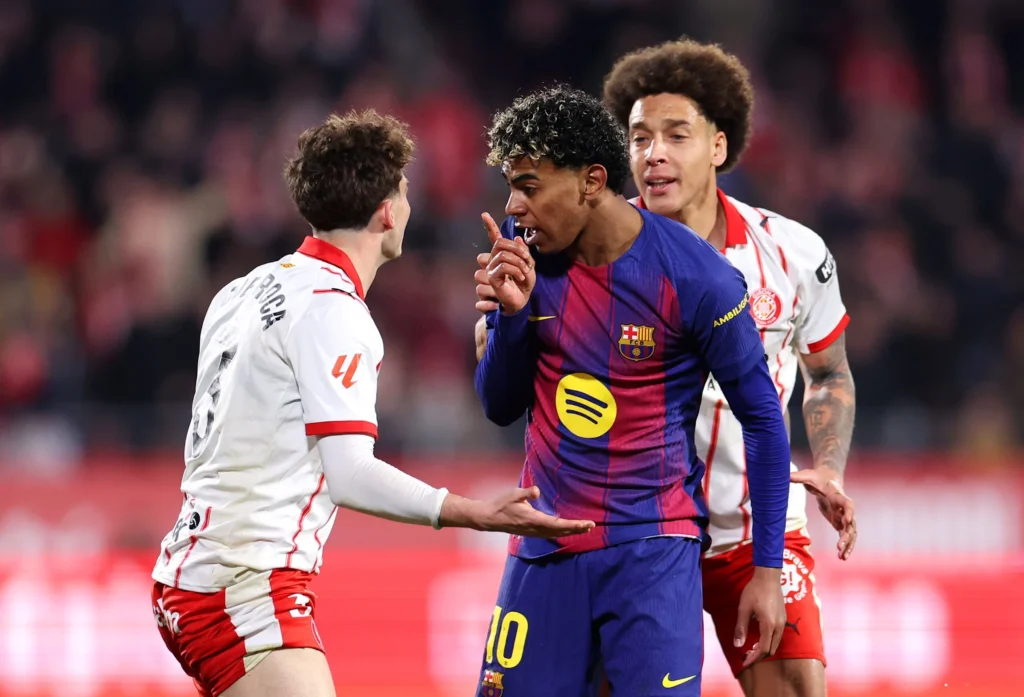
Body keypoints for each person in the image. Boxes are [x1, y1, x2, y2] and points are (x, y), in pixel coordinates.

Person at [150, 110, 595, 697]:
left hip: (195, 569)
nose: (408, 205)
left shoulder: (243, 289)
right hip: (244, 587)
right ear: (387, 211)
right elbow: (350, 474)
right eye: (405, 191)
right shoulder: (335, 311)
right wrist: (476, 512)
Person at [471, 85, 791, 697]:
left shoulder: (697, 278)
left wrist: (768, 570)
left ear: (592, 181)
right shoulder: (524, 251)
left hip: (652, 551)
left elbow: (765, 421)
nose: (514, 205)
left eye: (530, 185)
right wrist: (510, 320)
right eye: (511, 185)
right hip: (544, 547)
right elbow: (499, 406)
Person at [598, 39, 859, 695]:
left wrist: (828, 465)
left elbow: (827, 373)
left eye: (675, 135)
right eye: (638, 138)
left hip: (752, 530)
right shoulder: (588, 254)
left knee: (799, 686)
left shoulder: (794, 253)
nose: (652, 153)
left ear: (717, 145)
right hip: (634, 530)